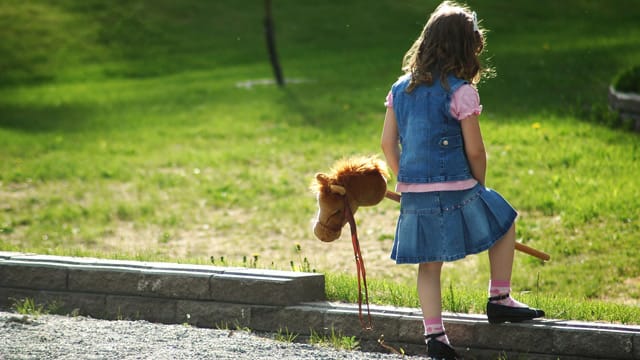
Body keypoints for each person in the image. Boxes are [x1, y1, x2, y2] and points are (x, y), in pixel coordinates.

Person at [380, 2, 544, 359]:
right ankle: (499, 298)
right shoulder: (461, 91)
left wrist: (404, 178)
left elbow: (386, 142)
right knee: (504, 221)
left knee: (429, 263)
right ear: (465, 49)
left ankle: (435, 338)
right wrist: (478, 186)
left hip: (416, 193)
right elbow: (476, 151)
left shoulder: (399, 90)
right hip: (459, 186)